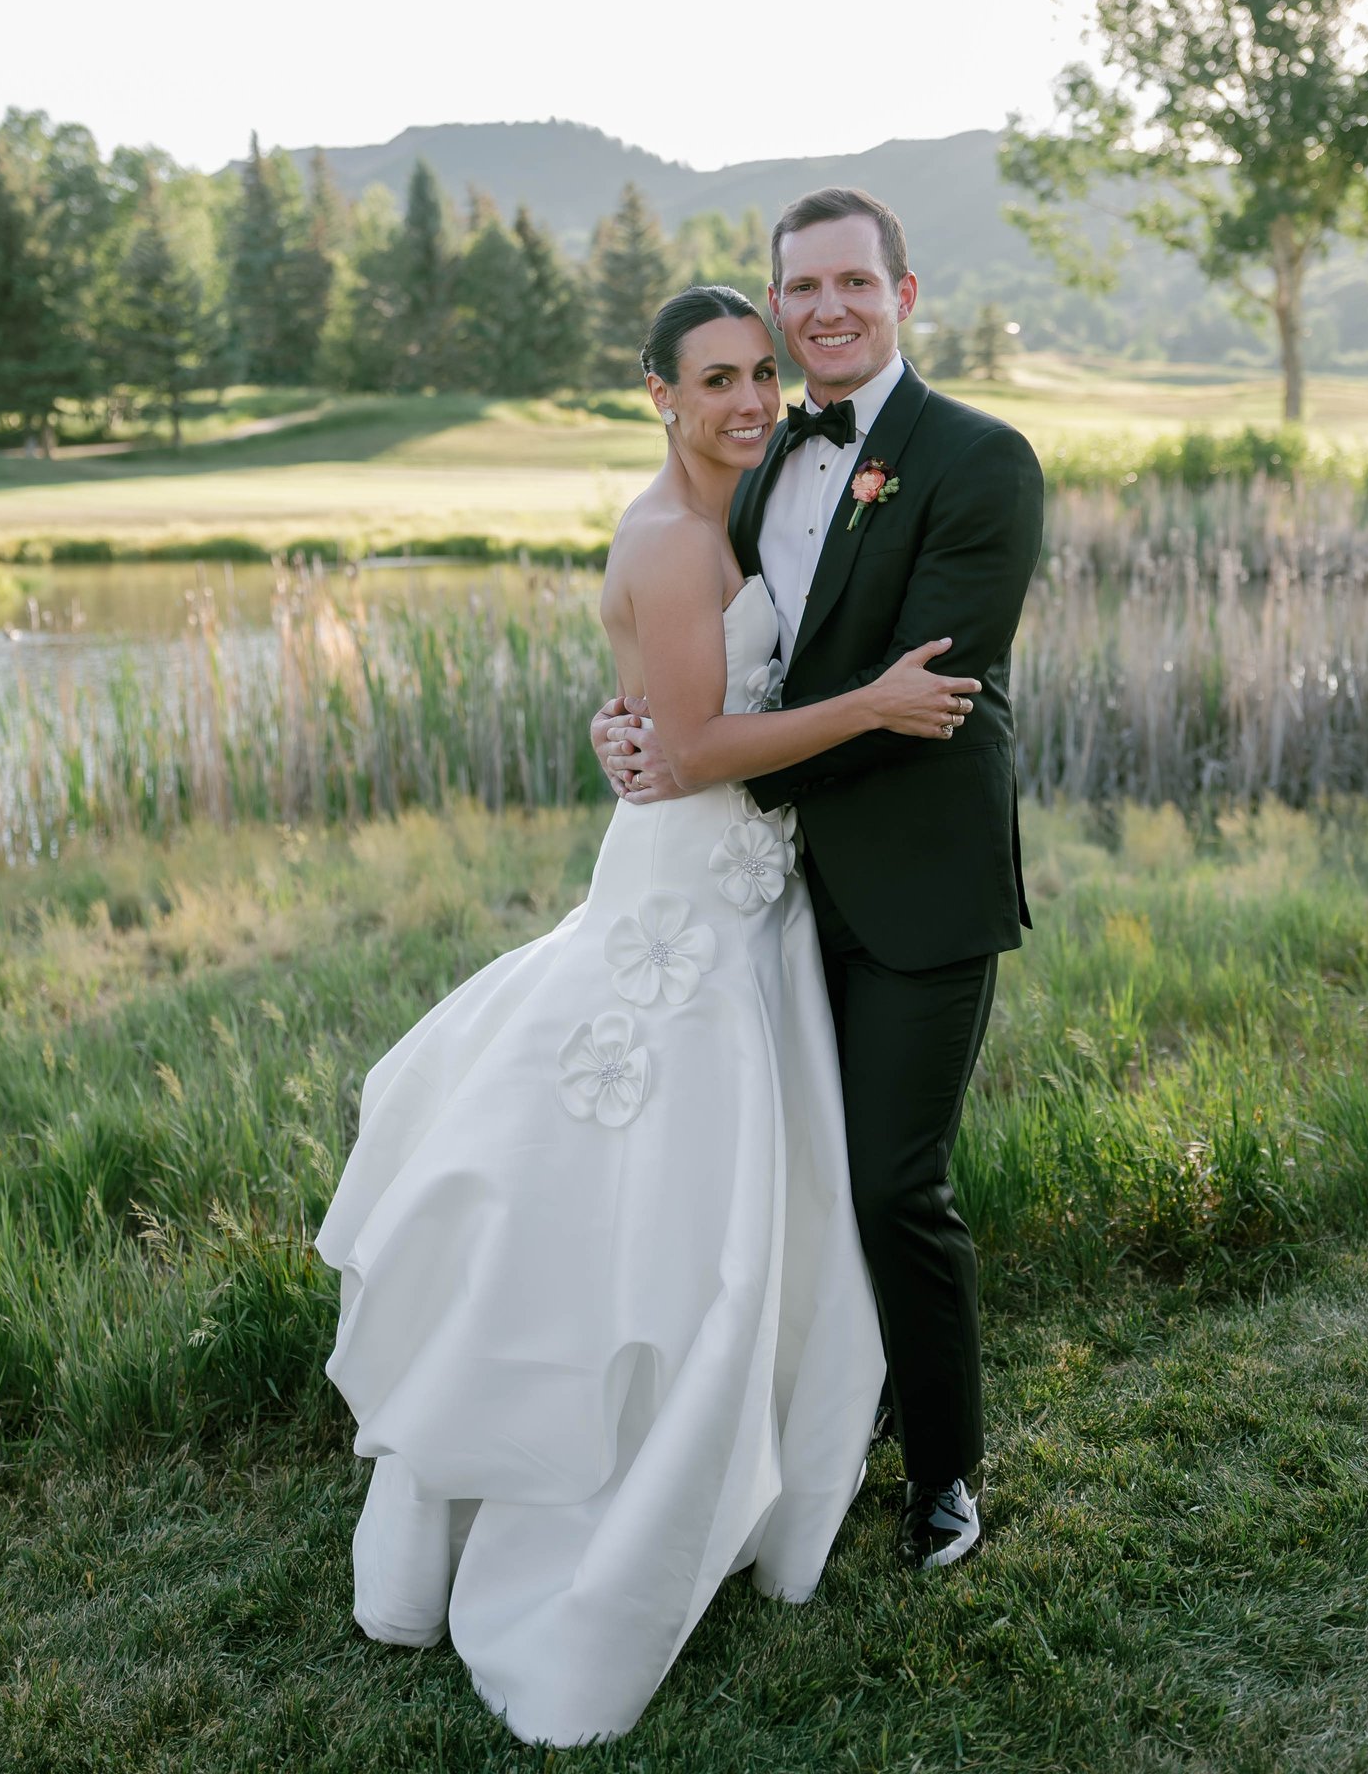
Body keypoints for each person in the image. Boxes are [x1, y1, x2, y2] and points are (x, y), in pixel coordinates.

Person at [314, 284, 981, 1748]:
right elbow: (690, 742)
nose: (750, 400)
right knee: (665, 1217)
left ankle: (735, 1469)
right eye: (717, 381)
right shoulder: (676, 535)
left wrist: (628, 720)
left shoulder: (752, 510)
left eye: (762, 374)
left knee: (732, 1209)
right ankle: (607, 1507)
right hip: (687, 919)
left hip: (743, 897)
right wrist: (866, 707)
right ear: (660, 399)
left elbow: (654, 708)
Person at [596, 189, 1044, 1572]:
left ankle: (945, 1473)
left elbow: (921, 694)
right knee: (778, 1182)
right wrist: (633, 726)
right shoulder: (764, 448)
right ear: (780, 307)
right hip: (769, 894)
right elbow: (691, 634)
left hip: (915, 886)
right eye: (804, 289)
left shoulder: (980, 460)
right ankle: (813, 1431)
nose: (828, 307)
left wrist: (703, 759)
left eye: (857, 281)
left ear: (906, 293)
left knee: (894, 1184)